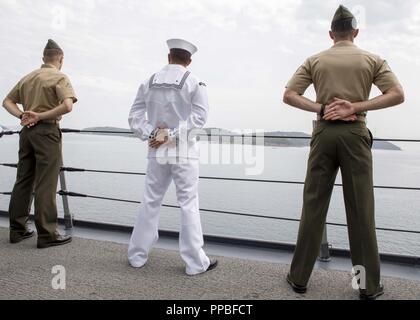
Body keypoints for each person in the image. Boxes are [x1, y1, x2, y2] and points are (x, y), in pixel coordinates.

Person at [283, 5, 404, 300]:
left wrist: (322, 107)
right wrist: (356, 106)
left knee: (313, 206)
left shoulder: (315, 60)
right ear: (356, 32)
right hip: (355, 134)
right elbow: (397, 94)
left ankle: (299, 278)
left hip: (323, 133)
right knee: (361, 211)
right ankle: (365, 285)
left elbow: (289, 95)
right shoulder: (372, 59)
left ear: (330, 34)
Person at [127, 39, 217, 275]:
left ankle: (137, 256)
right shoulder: (195, 83)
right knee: (188, 203)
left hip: (156, 148)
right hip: (183, 151)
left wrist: (154, 133)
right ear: (189, 60)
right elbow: (199, 118)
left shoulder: (148, 81)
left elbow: (134, 116)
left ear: (168, 57)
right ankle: (195, 263)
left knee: (150, 200)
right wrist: (173, 135)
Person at [2, 39, 78, 248]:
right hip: (46, 132)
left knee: (23, 179)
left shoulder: (28, 77)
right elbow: (67, 106)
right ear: (61, 59)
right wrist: (40, 116)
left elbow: (6, 101)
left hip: (26, 133)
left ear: (43, 58)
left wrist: (23, 116)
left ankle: (17, 231)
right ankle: (47, 234)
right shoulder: (60, 76)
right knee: (46, 182)